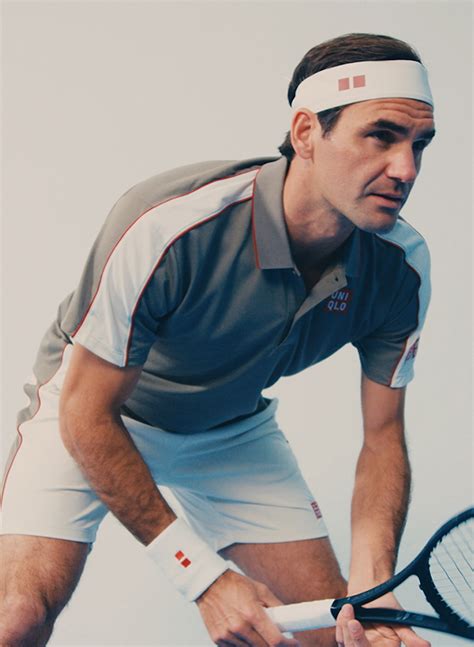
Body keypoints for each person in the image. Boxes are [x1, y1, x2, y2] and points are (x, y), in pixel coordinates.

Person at [0, 32, 437, 647]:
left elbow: (383, 435)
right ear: (306, 132)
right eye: (381, 136)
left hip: (231, 433)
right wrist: (202, 578)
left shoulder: (401, 267)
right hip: (97, 411)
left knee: (337, 640)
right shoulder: (168, 226)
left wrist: (374, 585)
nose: (406, 169)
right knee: (14, 619)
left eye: (420, 144)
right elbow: (84, 412)